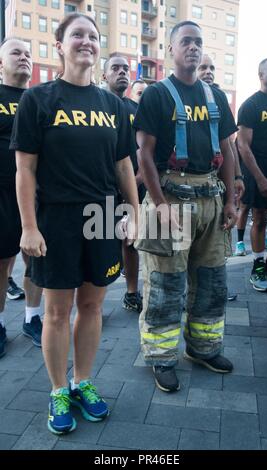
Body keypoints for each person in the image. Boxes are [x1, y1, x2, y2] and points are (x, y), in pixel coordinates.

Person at [10, 13, 139, 434]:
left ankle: (84, 381)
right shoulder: (38, 99)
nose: (86, 41)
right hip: (57, 218)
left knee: (93, 305)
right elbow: (25, 170)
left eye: (93, 36)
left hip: (101, 216)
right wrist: (29, 226)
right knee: (56, 310)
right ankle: (58, 388)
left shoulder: (114, 106)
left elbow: (123, 166)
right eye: (77, 35)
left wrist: (135, 213)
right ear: (61, 45)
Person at [134, 21, 237, 393]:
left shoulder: (215, 97)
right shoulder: (156, 95)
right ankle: (162, 358)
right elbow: (143, 154)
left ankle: (204, 348)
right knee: (165, 284)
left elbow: (226, 150)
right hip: (170, 199)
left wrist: (230, 200)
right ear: (171, 50)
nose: (193, 48)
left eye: (198, 42)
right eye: (185, 42)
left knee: (211, 280)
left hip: (210, 198)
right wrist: (159, 205)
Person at [0, 38, 43, 359]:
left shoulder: (40, 99)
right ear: (1, 62)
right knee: (2, 263)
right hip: (1, 195)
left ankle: (32, 318)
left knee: (36, 259)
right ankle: (0, 323)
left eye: (28, 53)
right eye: (16, 52)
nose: (24, 58)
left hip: (35, 196)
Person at [197, 54, 243, 301]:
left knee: (219, 238)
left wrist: (238, 176)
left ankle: (216, 289)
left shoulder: (220, 99)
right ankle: (190, 293)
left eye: (212, 67)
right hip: (192, 182)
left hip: (218, 180)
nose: (208, 71)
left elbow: (229, 144)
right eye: (204, 67)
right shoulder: (179, 95)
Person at [103, 55, 147, 313]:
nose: (121, 72)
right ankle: (94, 300)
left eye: (125, 69)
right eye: (115, 68)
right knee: (98, 241)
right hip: (100, 190)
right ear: (104, 75)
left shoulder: (135, 110)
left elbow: (145, 150)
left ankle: (131, 292)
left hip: (132, 187)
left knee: (130, 241)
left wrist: (135, 180)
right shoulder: (94, 105)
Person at [237, 57, 267, 293]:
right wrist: (260, 178)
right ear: (261, 75)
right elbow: (243, 146)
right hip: (260, 171)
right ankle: (257, 268)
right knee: (260, 218)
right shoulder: (251, 105)